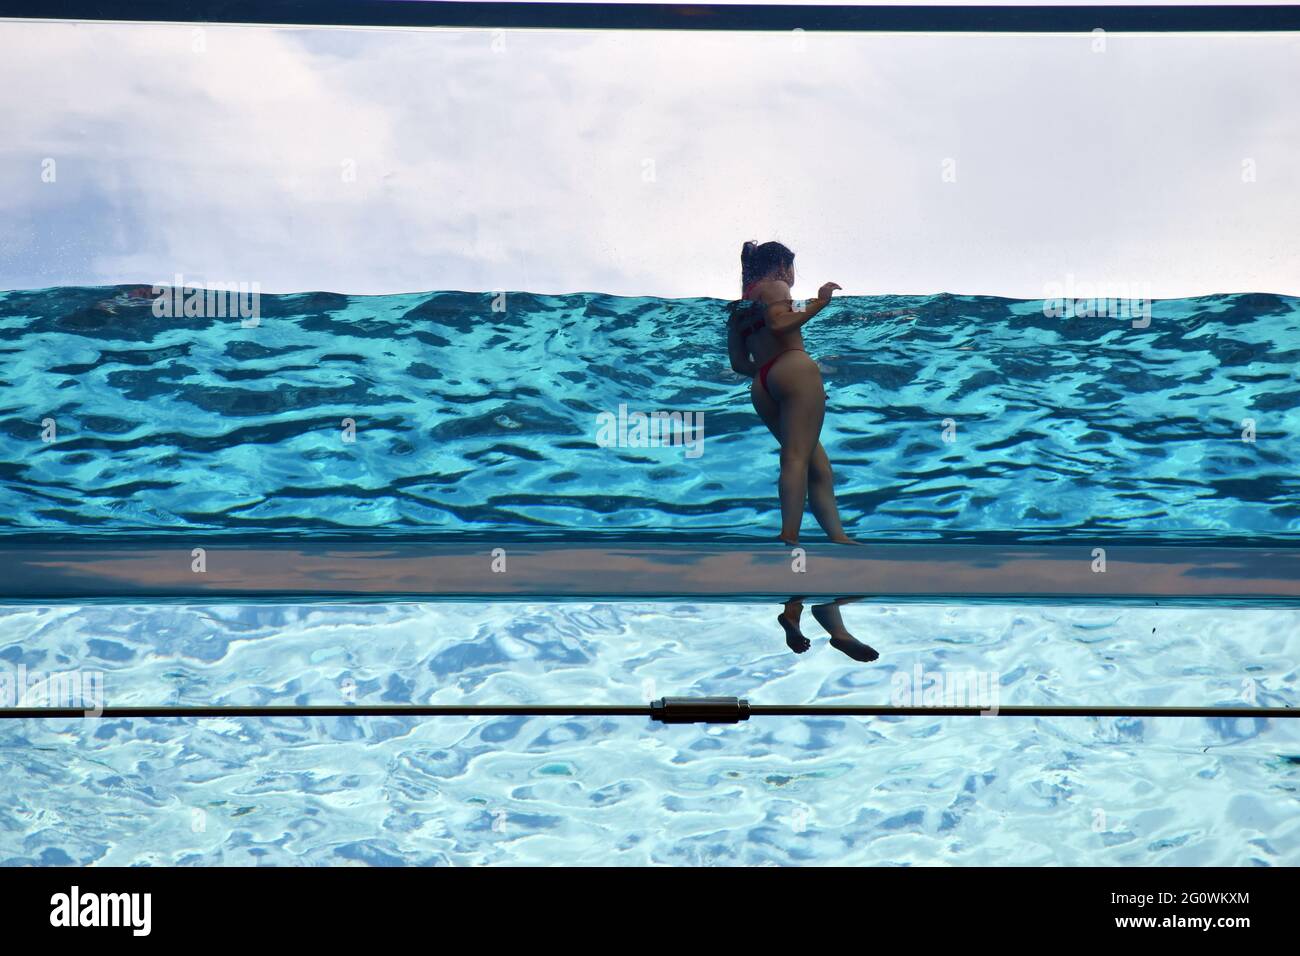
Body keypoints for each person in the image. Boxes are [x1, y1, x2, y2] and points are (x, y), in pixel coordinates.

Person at [727, 240, 853, 546]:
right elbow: (780, 322)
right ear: (784, 266)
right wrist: (821, 303)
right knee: (796, 457)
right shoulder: (777, 286)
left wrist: (769, 375)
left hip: (762, 383)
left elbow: (739, 362)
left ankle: (838, 537)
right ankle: (790, 536)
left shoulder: (740, 308)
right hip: (792, 368)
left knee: (817, 464)